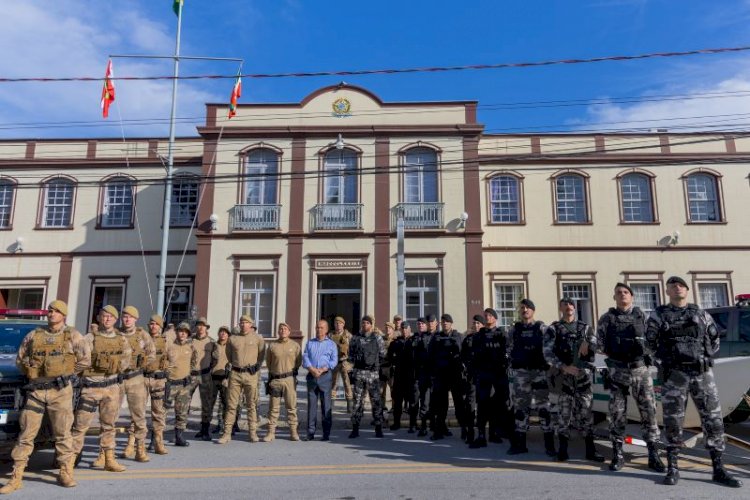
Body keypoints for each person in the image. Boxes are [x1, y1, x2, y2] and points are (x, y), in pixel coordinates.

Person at [646, 276, 742, 488]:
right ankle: (673, 468)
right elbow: (649, 345)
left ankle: (719, 469)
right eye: (672, 286)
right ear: (667, 292)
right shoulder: (659, 315)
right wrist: (666, 363)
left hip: (701, 375)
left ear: (687, 290)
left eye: (680, 285)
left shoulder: (701, 314)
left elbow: (714, 341)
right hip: (675, 376)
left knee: (713, 421)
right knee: (673, 422)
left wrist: (701, 358)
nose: (677, 288)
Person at [0, 300, 90, 494]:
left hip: (60, 393)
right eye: (50, 310)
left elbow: (85, 360)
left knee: (63, 435)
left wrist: (66, 375)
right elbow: (20, 359)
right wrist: (32, 373)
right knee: (26, 435)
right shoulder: (34, 335)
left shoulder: (72, 335)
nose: (52, 314)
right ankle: (16, 477)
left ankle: (66, 472)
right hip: (36, 392)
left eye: (56, 311)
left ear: (63, 315)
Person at [597, 283, 663, 472]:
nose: (622, 295)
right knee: (617, 414)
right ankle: (618, 454)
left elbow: (654, 340)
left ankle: (653, 454)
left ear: (632, 296)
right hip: (617, 370)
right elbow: (599, 343)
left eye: (626, 292)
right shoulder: (607, 319)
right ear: (614, 298)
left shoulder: (643, 317)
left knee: (648, 412)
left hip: (640, 370)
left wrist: (645, 350)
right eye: (618, 293)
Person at [71, 305, 131, 472]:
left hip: (111, 388)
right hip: (90, 388)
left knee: (108, 425)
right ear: (99, 318)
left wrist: (113, 370)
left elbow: (126, 360)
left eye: (111, 317)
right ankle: (70, 461)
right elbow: (80, 360)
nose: (107, 319)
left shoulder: (122, 339)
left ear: (115, 319)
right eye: (104, 316)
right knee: (80, 426)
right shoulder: (89, 338)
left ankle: (109, 459)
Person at [544, 298, 604, 463]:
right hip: (564, 379)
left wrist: (588, 342)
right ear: (561, 308)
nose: (569, 306)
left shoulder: (585, 328)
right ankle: (562, 450)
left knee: (586, 415)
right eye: (565, 304)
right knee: (564, 416)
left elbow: (597, 344)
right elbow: (547, 353)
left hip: (583, 378)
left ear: (575, 308)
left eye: (571, 304)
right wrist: (563, 367)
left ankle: (590, 450)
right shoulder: (554, 329)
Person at [507, 299, 555, 457]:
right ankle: (520, 444)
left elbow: (552, 346)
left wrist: (549, 364)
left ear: (533, 310)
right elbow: (508, 348)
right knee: (521, 408)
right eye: (522, 308)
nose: (524, 310)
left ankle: (549, 445)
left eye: (527, 308)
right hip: (521, 373)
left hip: (538, 372)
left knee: (544, 408)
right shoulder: (515, 330)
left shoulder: (542, 328)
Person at [217, 315, 266, 444]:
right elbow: (229, 355)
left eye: (246, 322)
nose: (243, 324)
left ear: (251, 324)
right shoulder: (233, 339)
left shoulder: (258, 339)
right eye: (241, 322)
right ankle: (227, 433)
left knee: (251, 405)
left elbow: (261, 355)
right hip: (236, 374)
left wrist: (256, 366)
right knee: (231, 405)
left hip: (251, 375)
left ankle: (252, 433)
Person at [469, 308, 513, 449]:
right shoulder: (479, 335)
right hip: (483, 374)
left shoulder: (502, 334)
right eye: (485, 315)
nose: (487, 317)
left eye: (490, 315)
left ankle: (493, 434)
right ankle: (481, 435)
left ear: (495, 318)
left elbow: (508, 352)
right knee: (482, 405)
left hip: (499, 375)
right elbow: (473, 356)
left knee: (497, 405)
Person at [118, 305, 156, 462]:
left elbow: (152, 354)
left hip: (136, 379)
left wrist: (142, 365)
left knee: (139, 415)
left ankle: (139, 448)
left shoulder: (143, 335)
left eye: (130, 317)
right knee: (110, 415)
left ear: (135, 319)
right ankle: (104, 453)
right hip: (118, 379)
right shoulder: (116, 334)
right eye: (125, 316)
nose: (127, 319)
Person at [263, 322, 302, 442]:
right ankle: (270, 432)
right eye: (281, 329)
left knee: (291, 407)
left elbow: (298, 362)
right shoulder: (272, 346)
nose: (283, 330)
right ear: (278, 332)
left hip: (289, 380)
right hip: (275, 379)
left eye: (285, 329)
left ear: (289, 332)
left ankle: (293, 432)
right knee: (273, 408)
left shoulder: (295, 346)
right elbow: (269, 362)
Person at [427, 314, 464, 440]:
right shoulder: (436, 337)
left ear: (451, 323)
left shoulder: (458, 336)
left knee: (459, 404)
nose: (445, 324)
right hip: (440, 375)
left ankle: (465, 429)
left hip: (454, 375)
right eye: (443, 322)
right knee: (441, 405)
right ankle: (439, 430)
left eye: (447, 322)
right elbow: (430, 354)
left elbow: (461, 352)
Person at [348, 315, 386, 438]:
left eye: (367, 323)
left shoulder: (377, 338)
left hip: (373, 375)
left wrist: (374, 365)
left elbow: (382, 354)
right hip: (359, 373)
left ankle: (378, 428)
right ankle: (355, 429)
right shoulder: (355, 338)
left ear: (371, 325)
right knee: (357, 402)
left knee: (376, 402)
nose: (365, 325)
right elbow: (351, 355)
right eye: (363, 323)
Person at [302, 319, 338, 440]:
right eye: (317, 327)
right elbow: (305, 357)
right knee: (312, 406)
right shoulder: (310, 343)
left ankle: (326, 433)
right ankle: (310, 432)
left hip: (325, 376)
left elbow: (334, 361)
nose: (319, 329)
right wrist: (312, 369)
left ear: (326, 330)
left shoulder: (331, 344)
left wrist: (322, 369)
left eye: (321, 327)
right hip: (312, 376)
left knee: (326, 406)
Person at [142, 314, 169, 455]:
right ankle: (135, 443)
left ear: (160, 326)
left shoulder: (166, 341)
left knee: (158, 412)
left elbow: (172, 359)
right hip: (143, 379)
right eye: (151, 324)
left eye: (156, 324)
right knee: (139, 412)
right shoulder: (142, 340)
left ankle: (158, 441)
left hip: (159, 380)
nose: (153, 326)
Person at [167, 322, 196, 447]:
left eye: (185, 331)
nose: (183, 333)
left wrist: (190, 376)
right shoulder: (169, 346)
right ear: (177, 332)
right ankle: (154, 439)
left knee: (182, 413)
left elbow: (194, 363)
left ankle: (179, 436)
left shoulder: (191, 347)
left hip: (184, 385)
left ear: (188, 334)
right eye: (180, 331)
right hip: (170, 384)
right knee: (161, 412)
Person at [190, 318, 218, 441]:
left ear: (207, 328)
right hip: (191, 375)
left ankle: (205, 430)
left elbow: (215, 359)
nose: (201, 328)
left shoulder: (211, 342)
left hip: (205, 375)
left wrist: (208, 368)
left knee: (206, 403)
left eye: (203, 326)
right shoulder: (190, 340)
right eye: (199, 325)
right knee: (184, 402)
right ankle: (179, 431)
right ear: (196, 327)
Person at [388, 321, 414, 431]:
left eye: (406, 328)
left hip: (411, 375)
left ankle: (412, 425)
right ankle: (396, 423)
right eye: (402, 328)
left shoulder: (414, 342)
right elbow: (389, 356)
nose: (404, 330)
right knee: (397, 401)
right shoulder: (396, 343)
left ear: (410, 329)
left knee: (412, 401)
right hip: (399, 375)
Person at [461, 314, 483, 444]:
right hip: (471, 377)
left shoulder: (486, 338)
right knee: (470, 405)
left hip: (484, 376)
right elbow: (462, 356)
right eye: (474, 323)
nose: (476, 325)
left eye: (478, 323)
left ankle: (483, 433)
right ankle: (470, 431)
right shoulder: (468, 339)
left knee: (484, 406)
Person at [411, 316, 434, 437]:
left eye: (422, 324)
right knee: (416, 400)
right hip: (417, 373)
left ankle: (426, 425)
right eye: (418, 324)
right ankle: (417, 424)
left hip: (428, 373)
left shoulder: (431, 337)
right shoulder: (414, 338)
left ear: (426, 325)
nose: (420, 326)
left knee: (426, 401)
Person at [209, 326, 231, 435]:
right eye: (221, 332)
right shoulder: (214, 346)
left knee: (225, 403)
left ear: (228, 335)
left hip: (225, 378)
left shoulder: (231, 346)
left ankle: (225, 426)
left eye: (225, 332)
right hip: (213, 377)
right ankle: (207, 426)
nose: (223, 334)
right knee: (210, 403)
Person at [329, 316, 353, 413]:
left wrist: (351, 363)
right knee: (333, 384)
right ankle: (330, 405)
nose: (338, 325)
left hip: (344, 362)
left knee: (347, 384)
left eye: (340, 323)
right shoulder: (330, 335)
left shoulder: (348, 336)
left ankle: (349, 406)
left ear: (343, 324)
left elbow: (353, 349)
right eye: (336, 323)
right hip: (334, 363)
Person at [379, 321, 396, 414]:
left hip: (391, 368)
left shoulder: (395, 340)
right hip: (382, 368)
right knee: (381, 390)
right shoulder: (381, 340)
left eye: (389, 328)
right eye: (386, 328)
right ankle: (382, 407)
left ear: (393, 330)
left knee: (393, 389)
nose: (387, 330)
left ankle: (394, 407)